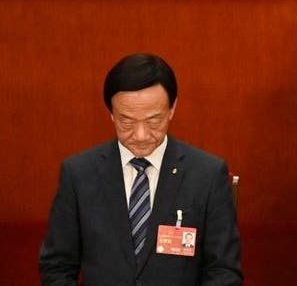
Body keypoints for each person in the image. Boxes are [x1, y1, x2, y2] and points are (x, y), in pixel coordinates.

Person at [39, 53, 242, 285]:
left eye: (154, 120)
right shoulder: (78, 174)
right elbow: (56, 267)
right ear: (111, 114)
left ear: (172, 109)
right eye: (126, 121)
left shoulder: (207, 175)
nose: (141, 135)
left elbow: (224, 272)